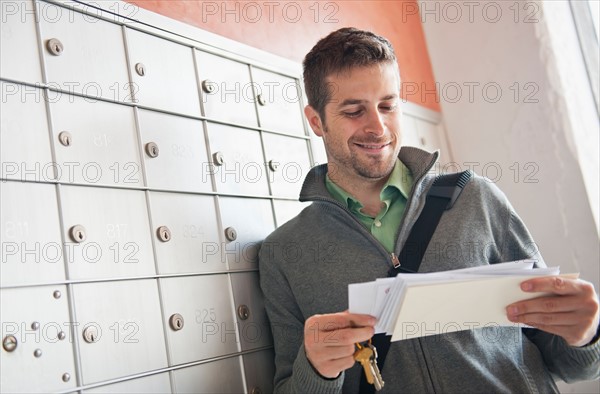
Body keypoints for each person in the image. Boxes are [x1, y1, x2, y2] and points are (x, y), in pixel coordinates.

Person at [258, 27, 600, 393]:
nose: (378, 127)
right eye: (354, 111)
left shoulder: (478, 199)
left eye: (388, 105)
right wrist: (316, 370)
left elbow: (572, 366)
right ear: (316, 121)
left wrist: (588, 336)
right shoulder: (284, 253)